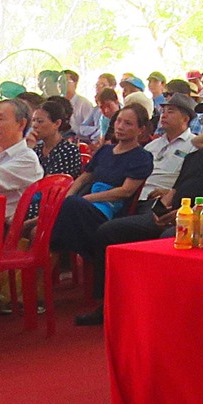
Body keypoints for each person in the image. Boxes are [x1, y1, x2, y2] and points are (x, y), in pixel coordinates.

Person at [74, 98, 203, 326]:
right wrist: (159, 211)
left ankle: (164, 312)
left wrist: (189, 213)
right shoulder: (195, 156)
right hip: (175, 214)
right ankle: (109, 303)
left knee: (168, 238)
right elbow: (175, 190)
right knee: (109, 231)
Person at [48, 104, 155, 311]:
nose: (120, 127)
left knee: (60, 220)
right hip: (82, 206)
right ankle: (54, 243)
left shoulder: (142, 157)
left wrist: (88, 199)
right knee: (67, 206)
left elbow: (124, 191)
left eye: (128, 123)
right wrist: (68, 196)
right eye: (119, 121)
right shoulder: (105, 151)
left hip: (108, 211)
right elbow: (83, 178)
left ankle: (45, 271)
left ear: (141, 130)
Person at [135, 94, 198, 215]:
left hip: (162, 202)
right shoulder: (151, 145)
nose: (164, 115)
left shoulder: (194, 146)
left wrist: (170, 192)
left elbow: (193, 183)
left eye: (171, 112)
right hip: (135, 197)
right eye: (163, 111)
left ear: (185, 119)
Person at [29, 96, 86, 181]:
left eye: (40, 121)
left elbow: (51, 182)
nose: (35, 125)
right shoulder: (36, 149)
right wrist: (28, 149)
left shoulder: (69, 150)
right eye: (33, 120)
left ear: (57, 123)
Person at [60, 70, 102, 140]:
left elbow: (91, 127)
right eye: (60, 82)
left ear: (75, 84)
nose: (61, 85)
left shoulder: (84, 103)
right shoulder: (58, 102)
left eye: (65, 81)